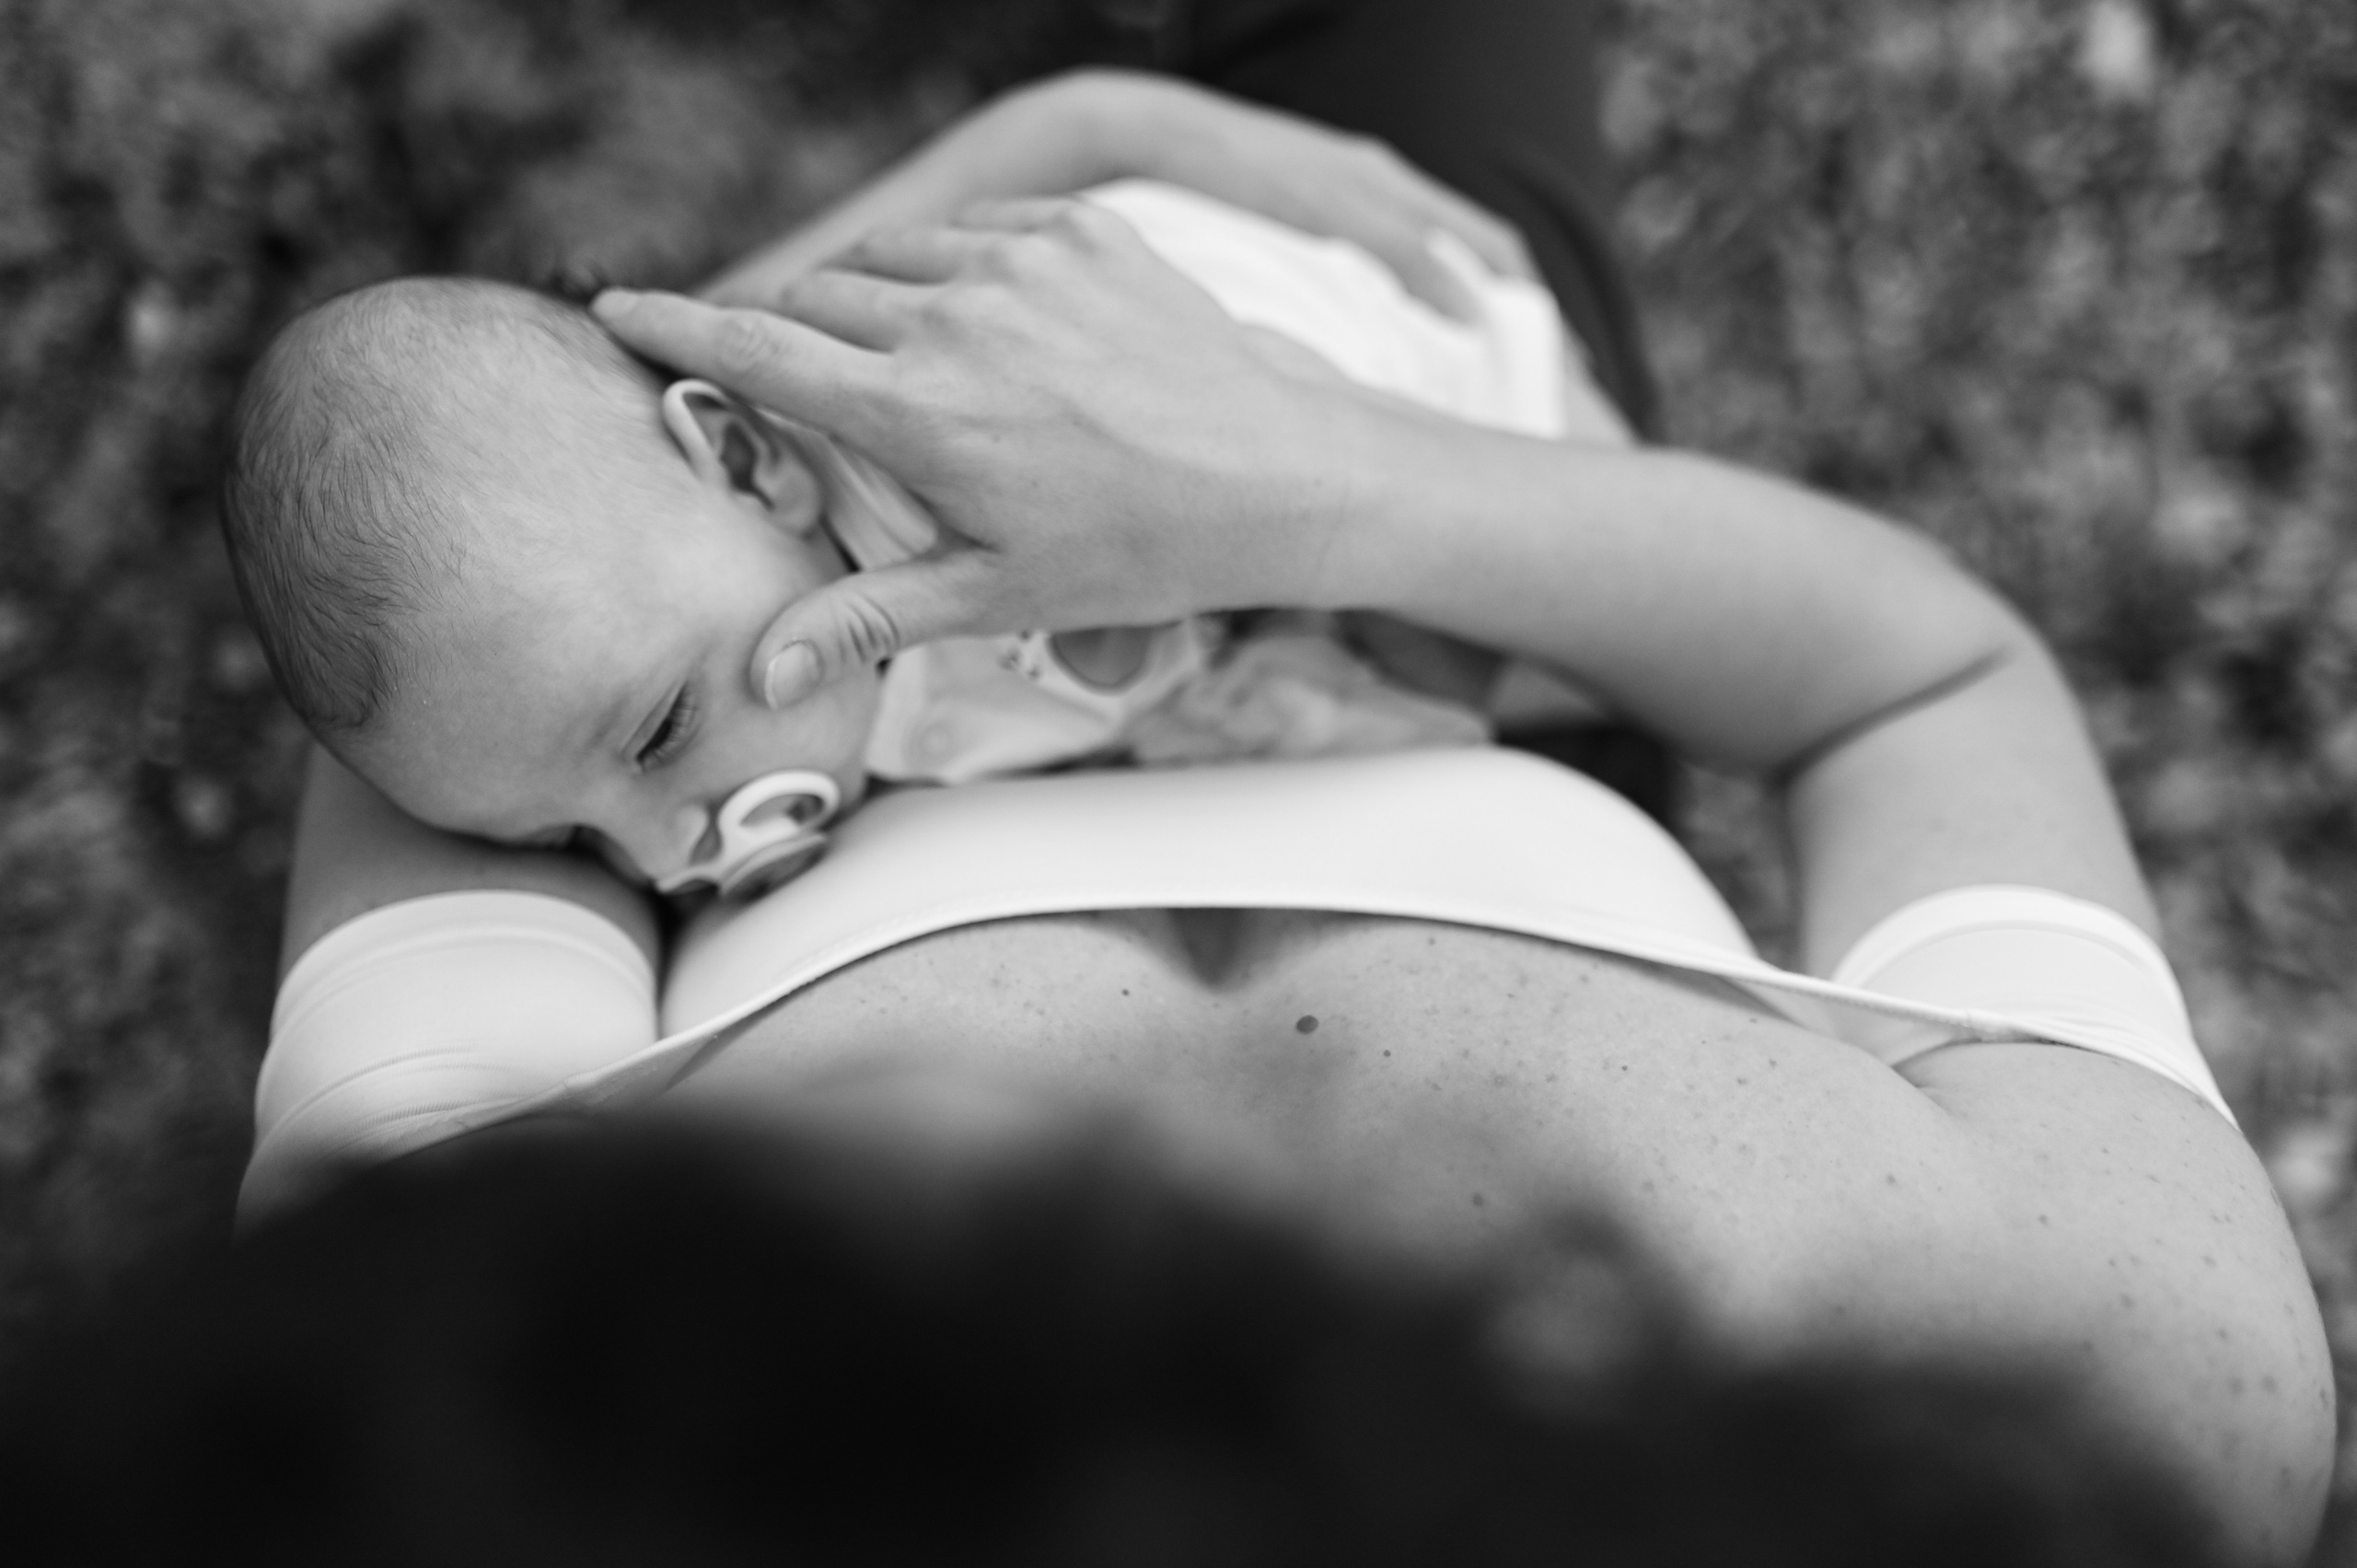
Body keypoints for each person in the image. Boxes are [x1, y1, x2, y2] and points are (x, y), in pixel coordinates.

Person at [241, 3, 2335, 1562]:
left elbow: (448, 724)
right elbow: (1913, 678)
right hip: (1462, 607)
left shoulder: (445, 1435)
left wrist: (959, 217)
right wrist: (1316, 484)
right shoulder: (2111, 1426)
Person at [1, 1105, 2227, 1566]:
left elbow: (428, 633)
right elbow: (1915, 679)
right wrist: (1322, 486)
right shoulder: (2147, 1354)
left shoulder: (438, 1372)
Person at [219, 168, 1612, 898]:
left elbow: (1317, 486)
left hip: (1437, 395)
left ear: (755, 462)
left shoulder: (992, 494)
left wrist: (1371, 686)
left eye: (654, 740)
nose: (669, 858)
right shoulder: (664, 579)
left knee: (1546, 678)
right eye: (570, 846)